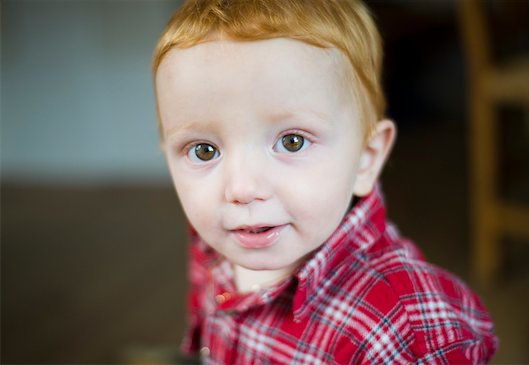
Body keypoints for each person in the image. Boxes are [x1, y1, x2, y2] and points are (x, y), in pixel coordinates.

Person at [152, 0, 498, 363]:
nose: (241, 190)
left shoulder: (402, 330)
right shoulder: (215, 240)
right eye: (204, 151)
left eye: (292, 142)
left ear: (366, 158)